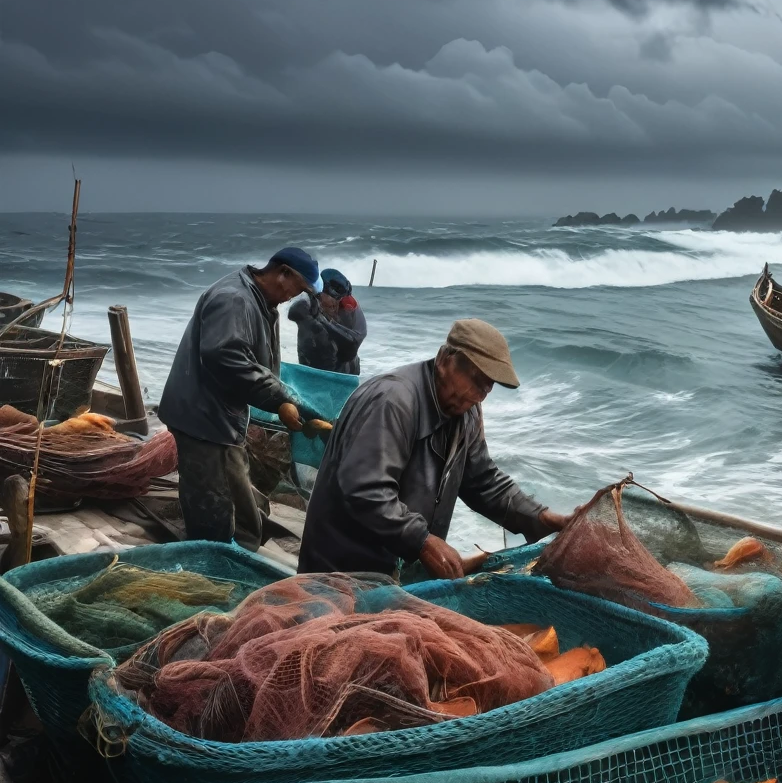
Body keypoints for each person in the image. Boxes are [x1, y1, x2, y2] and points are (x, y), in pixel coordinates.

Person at [298, 319, 568, 580]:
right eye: (476, 377)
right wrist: (423, 542)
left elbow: (483, 482)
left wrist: (540, 517)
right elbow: (365, 491)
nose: (482, 393)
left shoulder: (467, 412)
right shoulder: (393, 401)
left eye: (489, 384)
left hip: (394, 573)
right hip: (339, 571)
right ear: (444, 360)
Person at [158, 247, 319, 549]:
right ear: (282, 272)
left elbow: (252, 362)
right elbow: (225, 357)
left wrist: (280, 398)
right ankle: (209, 565)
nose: (292, 297)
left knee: (236, 497)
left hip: (217, 416)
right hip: (203, 419)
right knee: (211, 506)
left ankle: (234, 547)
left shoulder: (257, 299)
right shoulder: (235, 299)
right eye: (296, 289)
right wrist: (278, 399)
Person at [287, 268, 368, 374]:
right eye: (335, 298)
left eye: (340, 299)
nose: (337, 304)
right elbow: (293, 313)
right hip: (312, 367)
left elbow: (354, 343)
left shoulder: (349, 306)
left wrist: (325, 321)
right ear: (319, 293)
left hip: (345, 371)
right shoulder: (309, 302)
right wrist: (315, 317)